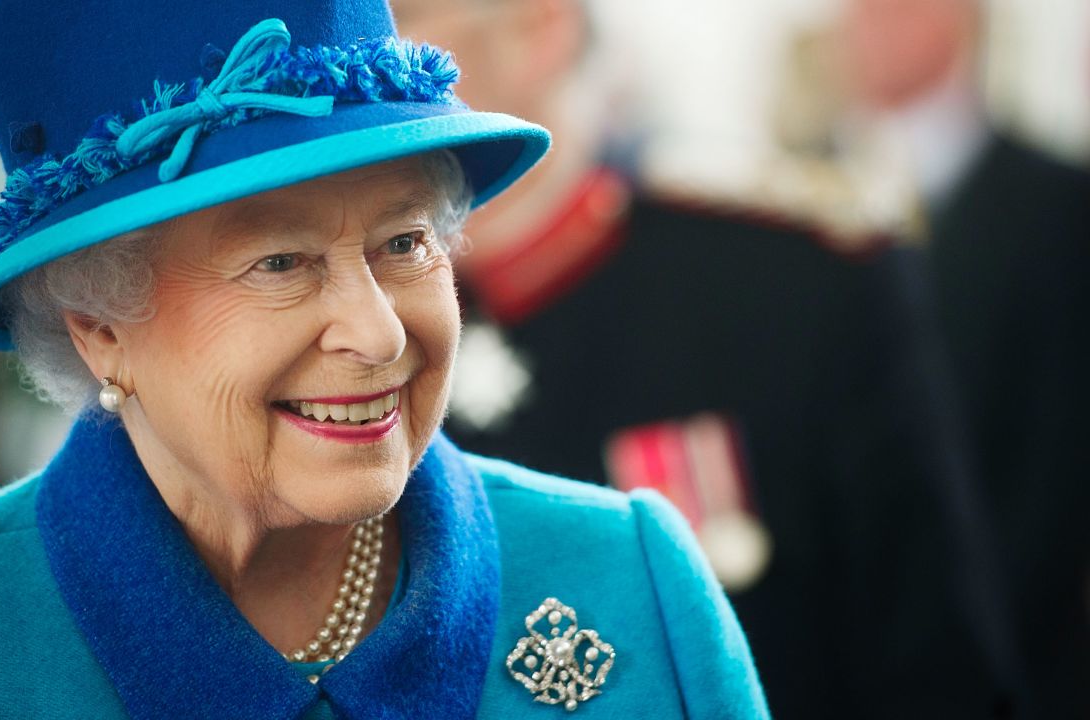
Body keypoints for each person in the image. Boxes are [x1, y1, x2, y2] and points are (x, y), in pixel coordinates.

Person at [0, 1, 769, 717]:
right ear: (99, 327)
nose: (380, 331)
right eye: (281, 262)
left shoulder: (633, 581)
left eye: (405, 243)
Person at [392, 0, 1014, 717]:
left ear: (539, 28)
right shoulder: (337, 317)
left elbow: (935, 672)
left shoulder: (789, 284)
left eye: (394, 16)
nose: (353, 54)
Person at [834, 1, 1090, 715]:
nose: (864, 24)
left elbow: (1058, 461)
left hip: (1019, 660)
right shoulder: (791, 192)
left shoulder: (1060, 207)